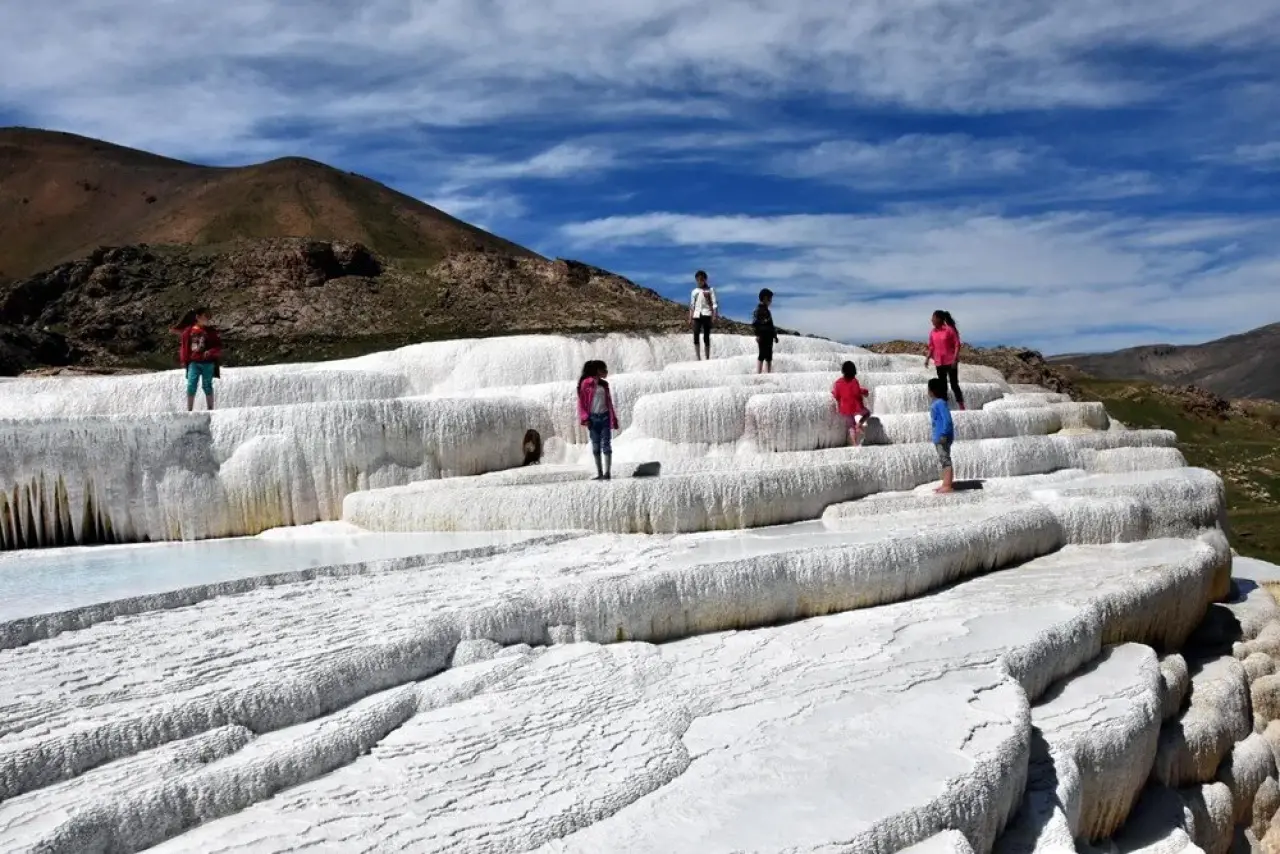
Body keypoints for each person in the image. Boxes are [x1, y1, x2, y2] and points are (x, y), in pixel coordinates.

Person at [577, 360, 619, 480]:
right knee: (595, 447)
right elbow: (582, 403)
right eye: (603, 369)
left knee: (606, 444)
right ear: (597, 370)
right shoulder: (586, 383)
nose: (606, 371)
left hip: (605, 417)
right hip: (593, 419)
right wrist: (585, 418)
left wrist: (613, 418)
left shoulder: (604, 385)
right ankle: (600, 473)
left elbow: (609, 403)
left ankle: (608, 473)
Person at [177, 306, 222, 411]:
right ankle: (189, 410)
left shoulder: (211, 332)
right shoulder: (189, 331)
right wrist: (184, 360)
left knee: (207, 385)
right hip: (194, 362)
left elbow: (218, 346)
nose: (208, 318)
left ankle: (210, 409)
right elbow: (184, 346)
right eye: (206, 316)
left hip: (208, 363)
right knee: (191, 385)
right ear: (198, 317)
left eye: (209, 316)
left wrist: (210, 352)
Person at [924, 309, 965, 410]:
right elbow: (931, 347)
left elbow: (957, 344)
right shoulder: (932, 332)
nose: (931, 320)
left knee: (954, 384)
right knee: (942, 386)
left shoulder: (949, 330)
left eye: (933, 318)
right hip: (939, 362)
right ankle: (945, 406)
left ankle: (961, 405)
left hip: (951, 361)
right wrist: (927, 358)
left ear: (939, 319)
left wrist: (955, 358)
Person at [832, 361, 871, 445]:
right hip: (856, 406)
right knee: (867, 413)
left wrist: (833, 393)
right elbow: (857, 392)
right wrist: (865, 391)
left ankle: (854, 443)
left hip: (844, 409)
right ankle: (859, 424)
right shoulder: (854, 381)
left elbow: (836, 396)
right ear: (854, 371)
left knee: (850, 425)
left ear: (843, 371)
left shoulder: (838, 382)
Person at [929, 377, 956, 494]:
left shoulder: (940, 403)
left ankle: (947, 485)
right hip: (939, 436)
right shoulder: (938, 403)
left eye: (928, 389)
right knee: (943, 459)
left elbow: (947, 420)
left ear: (932, 390)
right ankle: (945, 483)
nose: (927, 391)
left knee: (945, 460)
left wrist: (944, 434)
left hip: (942, 436)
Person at [689, 270, 718, 361]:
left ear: (705, 280)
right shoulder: (694, 292)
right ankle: (698, 358)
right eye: (698, 280)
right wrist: (690, 317)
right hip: (697, 315)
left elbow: (714, 303)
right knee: (696, 333)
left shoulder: (710, 290)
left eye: (701, 279)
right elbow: (692, 305)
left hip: (707, 314)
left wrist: (714, 315)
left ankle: (707, 357)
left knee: (706, 336)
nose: (699, 281)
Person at [752, 288, 780, 374]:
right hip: (762, 335)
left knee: (769, 355)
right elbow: (755, 323)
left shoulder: (768, 311)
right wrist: (757, 335)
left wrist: (774, 335)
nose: (771, 301)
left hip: (769, 335)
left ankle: (768, 373)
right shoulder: (758, 310)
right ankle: (759, 373)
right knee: (762, 354)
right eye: (770, 299)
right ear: (764, 298)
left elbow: (771, 325)